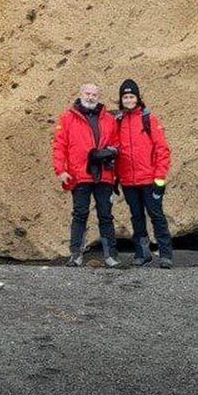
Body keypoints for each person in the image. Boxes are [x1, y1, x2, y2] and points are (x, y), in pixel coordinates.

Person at [53, 83, 120, 267]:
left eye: (94, 94)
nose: (91, 97)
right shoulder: (67, 118)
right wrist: (61, 170)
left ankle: (110, 256)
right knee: (80, 214)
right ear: (81, 94)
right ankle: (76, 254)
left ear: (99, 96)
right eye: (88, 93)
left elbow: (117, 143)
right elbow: (60, 146)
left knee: (106, 215)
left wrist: (110, 152)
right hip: (79, 173)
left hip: (104, 173)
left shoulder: (108, 119)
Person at [114, 79, 173, 268]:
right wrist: (116, 177)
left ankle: (165, 255)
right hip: (129, 181)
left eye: (132, 96)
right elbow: (115, 150)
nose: (129, 100)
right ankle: (142, 253)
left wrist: (160, 177)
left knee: (156, 216)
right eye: (125, 97)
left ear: (138, 98)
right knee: (136, 217)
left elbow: (162, 149)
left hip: (149, 179)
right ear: (121, 100)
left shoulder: (149, 119)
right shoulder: (118, 121)